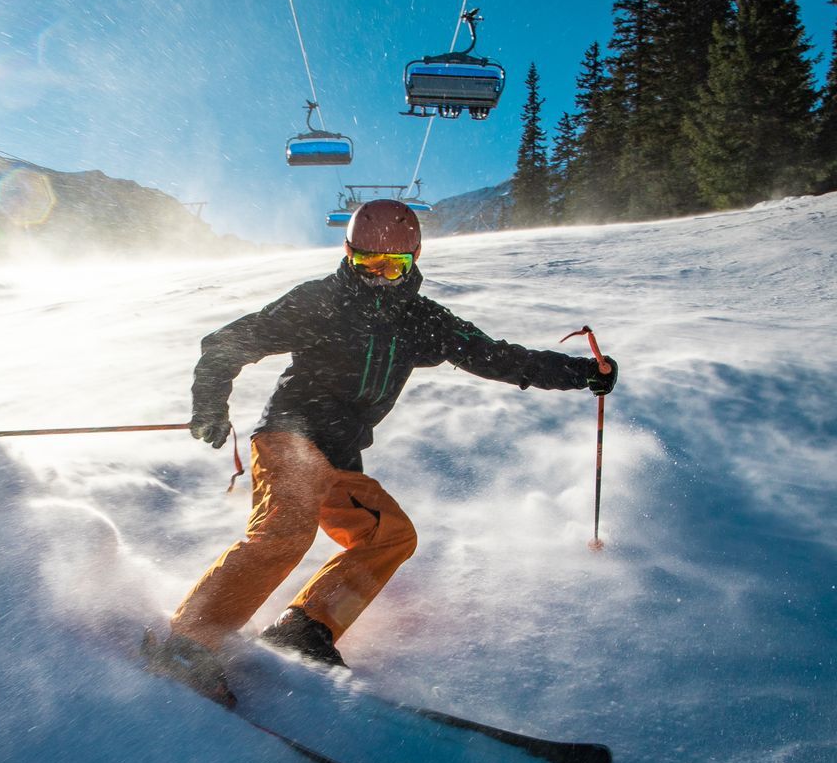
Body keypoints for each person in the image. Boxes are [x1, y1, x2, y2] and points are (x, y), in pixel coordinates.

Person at [142, 199, 618, 707]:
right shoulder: (320, 301)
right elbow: (227, 343)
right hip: (290, 435)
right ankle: (189, 643)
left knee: (390, 536)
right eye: (367, 264)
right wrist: (211, 404)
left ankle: (306, 627)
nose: (380, 279)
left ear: (414, 260)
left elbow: (495, 356)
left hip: (340, 455)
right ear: (349, 254)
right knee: (286, 532)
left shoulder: (421, 320)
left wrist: (580, 374)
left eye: (394, 267)